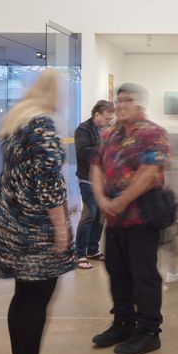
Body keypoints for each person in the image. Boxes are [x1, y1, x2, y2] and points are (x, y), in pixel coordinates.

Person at [0, 72, 74, 354]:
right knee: (37, 298)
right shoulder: (43, 125)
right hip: (35, 230)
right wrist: (60, 227)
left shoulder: (18, 121)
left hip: (12, 224)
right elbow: (47, 182)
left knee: (23, 298)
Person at [90, 83, 169, 354]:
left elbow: (149, 173)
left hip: (141, 218)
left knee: (143, 274)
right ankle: (124, 322)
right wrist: (101, 200)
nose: (121, 105)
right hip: (113, 219)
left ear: (140, 104)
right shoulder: (108, 134)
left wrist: (119, 202)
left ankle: (148, 331)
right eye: (118, 100)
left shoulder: (152, 133)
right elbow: (96, 166)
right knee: (117, 271)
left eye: (127, 100)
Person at [74, 100, 113, 268]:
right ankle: (80, 253)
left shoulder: (107, 129)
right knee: (90, 214)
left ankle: (92, 249)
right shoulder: (83, 129)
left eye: (111, 119)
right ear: (96, 115)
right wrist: (105, 145)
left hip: (104, 179)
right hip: (87, 178)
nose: (108, 122)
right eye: (106, 118)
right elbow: (82, 153)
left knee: (100, 216)